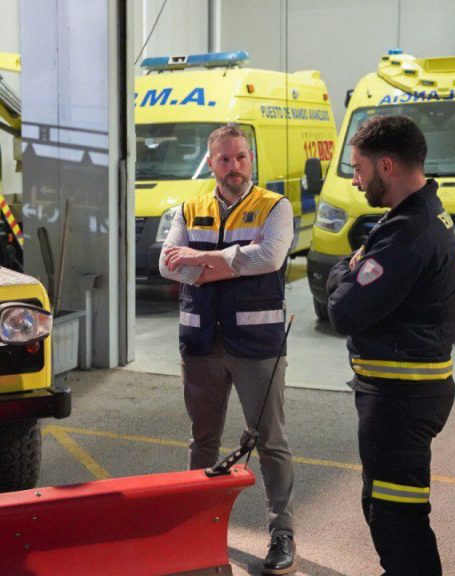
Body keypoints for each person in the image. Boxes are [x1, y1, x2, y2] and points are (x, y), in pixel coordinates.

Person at [326, 115, 455, 576]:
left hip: (401, 399)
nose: (355, 178)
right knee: (386, 507)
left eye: (358, 167)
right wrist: (354, 268)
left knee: (397, 518)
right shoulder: (422, 216)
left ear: (386, 165)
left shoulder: (407, 231)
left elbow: (344, 309)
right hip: (407, 391)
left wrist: (342, 271)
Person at [160, 124, 297, 575]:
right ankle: (195, 526)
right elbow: (166, 263)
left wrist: (200, 260)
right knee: (203, 440)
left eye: (240, 158)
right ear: (211, 162)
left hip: (257, 346)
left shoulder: (275, 207)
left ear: (250, 160)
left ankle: (281, 533)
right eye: (224, 159)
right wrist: (234, 261)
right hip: (201, 344)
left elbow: (270, 258)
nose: (233, 167)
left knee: (270, 441)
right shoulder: (188, 207)